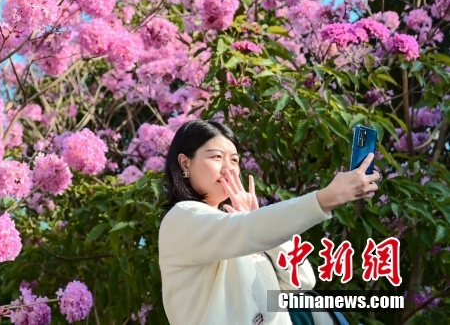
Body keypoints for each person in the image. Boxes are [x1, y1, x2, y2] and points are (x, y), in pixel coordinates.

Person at [158, 119, 380, 325]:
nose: (228, 168)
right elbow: (246, 230)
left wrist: (255, 218)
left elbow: (301, 282)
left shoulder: (238, 227)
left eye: (234, 160)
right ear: (185, 163)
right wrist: (328, 197)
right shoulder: (183, 219)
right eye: (216, 157)